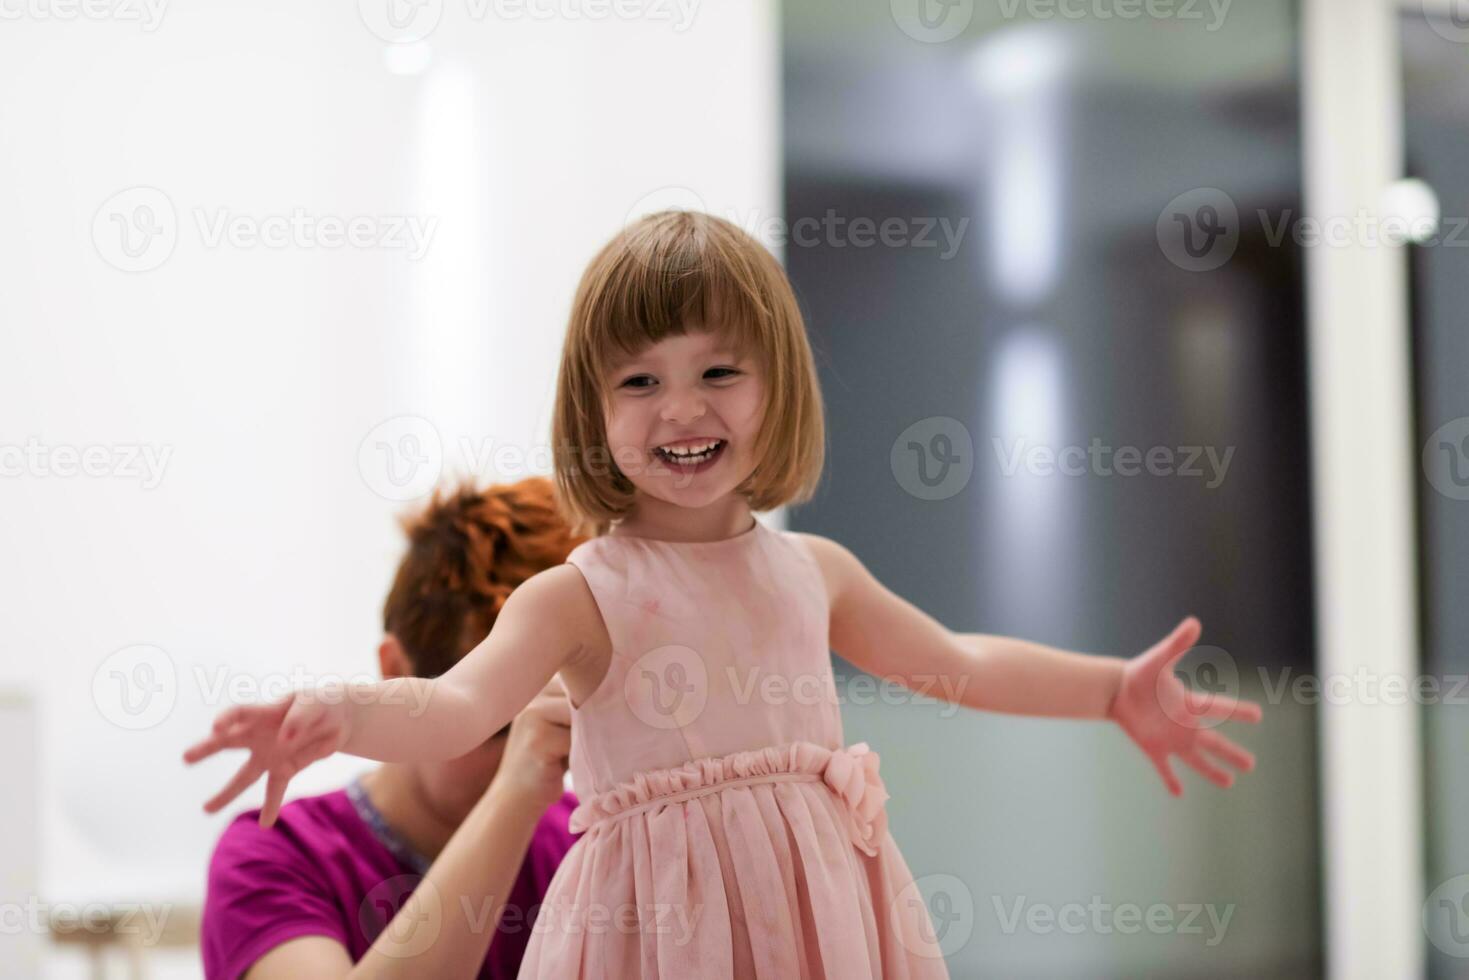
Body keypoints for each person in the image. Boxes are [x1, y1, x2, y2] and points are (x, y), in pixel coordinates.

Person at [185, 210, 1264, 979]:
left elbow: (961, 662)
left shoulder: (812, 572)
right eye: (638, 379)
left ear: (776, 383)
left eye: (717, 371)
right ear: (592, 411)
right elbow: (457, 704)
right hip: (650, 934)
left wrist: (1112, 688)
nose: (678, 407)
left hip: (817, 919)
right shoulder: (581, 593)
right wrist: (334, 712)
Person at [197, 477, 585, 979]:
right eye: (500, 729)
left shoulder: (583, 842)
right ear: (397, 672)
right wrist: (514, 796)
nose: (536, 755)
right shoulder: (273, 858)